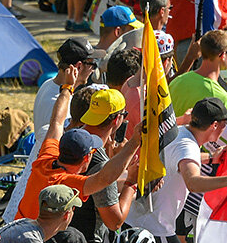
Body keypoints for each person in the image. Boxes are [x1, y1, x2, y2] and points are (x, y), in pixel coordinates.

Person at [125, 98, 227, 243]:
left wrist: (211, 158)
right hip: (155, 226)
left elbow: (179, 159)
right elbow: (193, 182)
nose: (226, 126)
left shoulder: (180, 132)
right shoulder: (187, 146)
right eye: (225, 122)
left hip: (138, 218)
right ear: (214, 125)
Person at [13, 66, 140, 221]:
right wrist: (134, 145)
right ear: (86, 159)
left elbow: (57, 123)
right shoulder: (66, 182)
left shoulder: (46, 158)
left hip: (17, 227)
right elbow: (103, 179)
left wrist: (67, 88)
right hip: (31, 239)